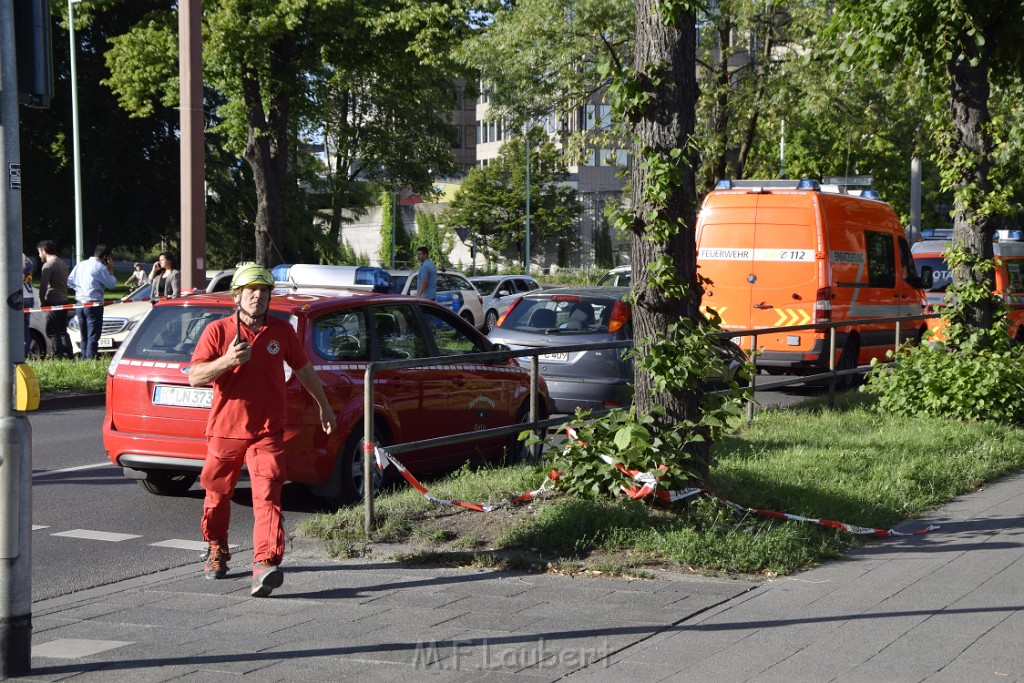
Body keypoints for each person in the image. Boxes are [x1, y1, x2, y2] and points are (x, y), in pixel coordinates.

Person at [189, 263, 336, 597]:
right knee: (216, 495)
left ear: (270, 296)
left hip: (267, 431)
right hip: (225, 430)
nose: (257, 296)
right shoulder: (218, 331)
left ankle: (265, 564)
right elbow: (195, 376)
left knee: (268, 496)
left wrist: (324, 405)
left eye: (263, 291)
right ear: (238, 296)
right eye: (250, 291)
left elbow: (304, 369)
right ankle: (216, 546)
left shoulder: (282, 332)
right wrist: (227, 361)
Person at [68, 245, 117, 359]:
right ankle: (89, 360)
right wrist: (110, 269)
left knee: (83, 335)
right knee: (93, 336)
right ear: (105, 257)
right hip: (93, 304)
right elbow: (112, 284)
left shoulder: (80, 264)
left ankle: (84, 358)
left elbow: (69, 281)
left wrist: (81, 288)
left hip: (79, 303)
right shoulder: (100, 267)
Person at [36, 240, 74, 359]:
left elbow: (43, 285)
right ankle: (69, 356)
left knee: (52, 331)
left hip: (53, 300)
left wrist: (41, 301)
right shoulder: (62, 263)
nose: (39, 255)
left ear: (44, 251)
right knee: (62, 330)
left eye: (39, 252)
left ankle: (59, 356)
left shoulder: (48, 265)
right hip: (64, 300)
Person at [22, 255, 34, 357]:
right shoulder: (25, 258)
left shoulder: (7, 253)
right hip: (29, 296)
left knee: (12, 327)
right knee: (25, 326)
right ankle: (25, 353)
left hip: (17, 296)